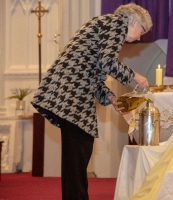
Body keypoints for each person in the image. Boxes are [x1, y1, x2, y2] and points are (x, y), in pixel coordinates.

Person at [31, 3, 152, 200]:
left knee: (77, 157)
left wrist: (111, 98)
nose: (139, 37)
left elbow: (94, 71)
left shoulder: (104, 24)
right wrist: (134, 76)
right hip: (73, 93)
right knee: (77, 155)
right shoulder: (117, 23)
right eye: (142, 30)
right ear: (133, 21)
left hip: (70, 91)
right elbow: (107, 63)